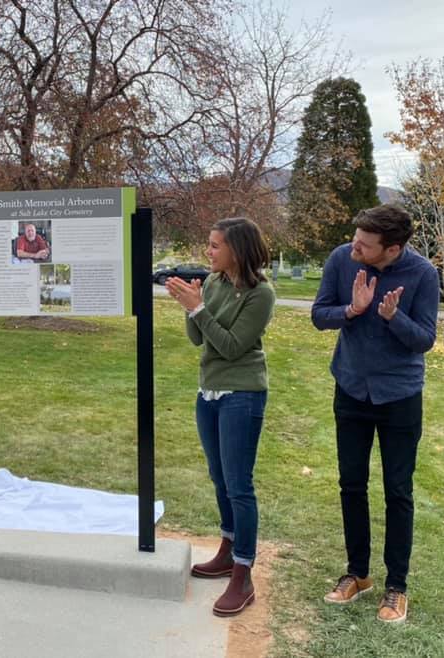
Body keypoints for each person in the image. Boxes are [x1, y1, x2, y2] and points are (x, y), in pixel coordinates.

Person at [312, 204, 438, 624]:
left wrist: (391, 317)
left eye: (365, 244)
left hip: (399, 396)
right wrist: (352, 310)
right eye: (355, 237)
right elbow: (318, 315)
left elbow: (424, 340)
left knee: (397, 491)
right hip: (350, 389)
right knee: (351, 484)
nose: (355, 245)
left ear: (392, 249)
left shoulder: (422, 274)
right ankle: (357, 574)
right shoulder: (340, 260)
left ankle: (396, 587)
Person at [167, 217, 275, 617]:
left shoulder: (261, 294)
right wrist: (191, 307)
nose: (208, 251)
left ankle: (243, 574)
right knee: (219, 477)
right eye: (208, 244)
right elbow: (200, 339)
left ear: (237, 251)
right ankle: (228, 551)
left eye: (215, 246)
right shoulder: (212, 284)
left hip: (242, 394)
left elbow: (231, 347)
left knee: (239, 485)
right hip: (208, 392)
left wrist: (198, 309)